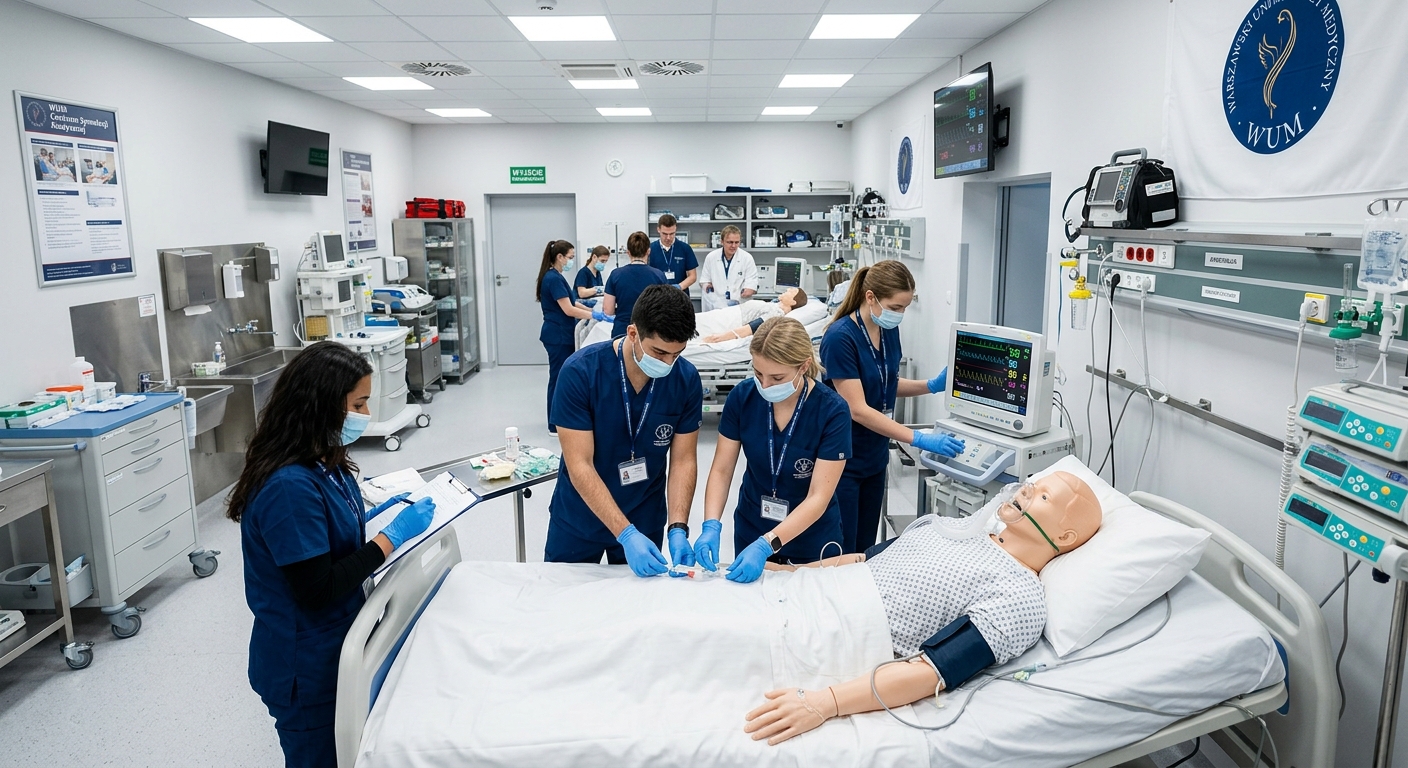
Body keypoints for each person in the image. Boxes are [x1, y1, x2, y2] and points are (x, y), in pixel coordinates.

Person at [744, 471, 1102, 745]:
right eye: (1033, 483)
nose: (1025, 489)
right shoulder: (961, 528)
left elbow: (931, 671)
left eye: (1042, 495)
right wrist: (788, 572)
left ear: (1064, 536)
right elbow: (865, 559)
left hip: (834, 631)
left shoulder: (1020, 598)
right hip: (805, 592)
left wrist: (826, 703)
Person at [228, 342, 437, 767]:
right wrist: (390, 538)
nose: (364, 414)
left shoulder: (324, 459)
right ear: (322, 405)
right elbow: (316, 589)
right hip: (304, 664)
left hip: (336, 641)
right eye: (358, 403)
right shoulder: (289, 486)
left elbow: (330, 523)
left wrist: (376, 508)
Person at [548, 285, 703, 576]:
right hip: (581, 518)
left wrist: (678, 527)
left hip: (644, 514)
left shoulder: (685, 379)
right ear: (633, 334)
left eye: (677, 354)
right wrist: (625, 534)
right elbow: (579, 464)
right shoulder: (580, 373)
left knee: (639, 611)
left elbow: (683, 460)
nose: (668, 364)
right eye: (659, 352)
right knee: (565, 605)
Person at [820, 260, 965, 554]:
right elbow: (857, 407)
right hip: (841, 458)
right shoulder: (840, 338)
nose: (900, 314)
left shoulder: (887, 332)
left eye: (905, 308)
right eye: (896, 307)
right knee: (841, 550)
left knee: (864, 549)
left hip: (874, 456)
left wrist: (929, 385)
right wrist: (917, 438)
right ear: (870, 297)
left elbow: (883, 383)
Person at [695, 317, 851, 582]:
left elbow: (818, 497)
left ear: (803, 366)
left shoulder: (832, 411)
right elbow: (722, 470)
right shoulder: (743, 398)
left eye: (777, 377)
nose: (765, 386)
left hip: (811, 538)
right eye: (758, 374)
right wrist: (711, 524)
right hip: (752, 527)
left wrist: (767, 544)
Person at [536, 239, 599, 432]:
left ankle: (559, 420)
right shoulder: (553, 279)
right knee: (557, 378)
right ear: (560, 257)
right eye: (570, 257)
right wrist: (592, 315)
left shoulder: (557, 276)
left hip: (562, 334)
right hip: (557, 336)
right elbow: (568, 310)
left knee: (561, 377)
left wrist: (593, 311)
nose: (572, 261)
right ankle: (553, 425)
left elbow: (572, 302)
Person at [603, 231, 668, 339]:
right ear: (648, 251)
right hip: (650, 333)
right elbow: (665, 309)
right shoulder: (659, 275)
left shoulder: (616, 275)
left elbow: (608, 310)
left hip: (622, 331)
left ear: (628, 252)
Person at [698, 287, 808, 343]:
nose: (787, 289)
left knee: (694, 322)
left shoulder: (777, 313)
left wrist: (719, 338)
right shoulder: (774, 305)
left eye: (791, 291)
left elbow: (750, 329)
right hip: (727, 315)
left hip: (730, 321)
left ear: (793, 302)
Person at [698, 225, 758, 311]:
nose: (733, 246)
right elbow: (704, 280)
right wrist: (707, 286)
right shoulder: (711, 257)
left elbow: (752, 280)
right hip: (716, 305)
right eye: (730, 242)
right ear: (722, 241)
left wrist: (749, 289)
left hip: (739, 305)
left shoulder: (747, 258)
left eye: (736, 242)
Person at [649, 213, 698, 290]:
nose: (668, 238)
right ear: (658, 229)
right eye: (665, 234)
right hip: (657, 296)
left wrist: (679, 287)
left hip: (680, 295)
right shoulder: (650, 249)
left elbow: (693, 276)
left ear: (676, 229)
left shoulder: (685, 248)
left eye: (672, 233)